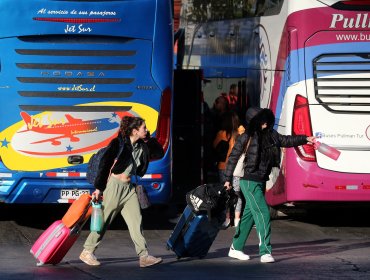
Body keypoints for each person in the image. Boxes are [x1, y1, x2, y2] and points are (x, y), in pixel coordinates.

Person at [223, 107, 316, 263]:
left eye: (266, 119)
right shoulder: (246, 137)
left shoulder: (271, 135)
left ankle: (236, 248)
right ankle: (265, 251)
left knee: (249, 216)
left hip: (260, 181)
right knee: (263, 213)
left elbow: (286, 140)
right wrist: (227, 179)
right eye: (261, 120)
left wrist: (305, 139)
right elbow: (233, 157)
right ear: (255, 122)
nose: (265, 123)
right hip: (248, 181)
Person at [79, 116, 163, 268]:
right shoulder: (118, 143)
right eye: (144, 127)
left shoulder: (142, 145)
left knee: (136, 221)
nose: (146, 130)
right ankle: (87, 251)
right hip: (114, 186)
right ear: (134, 130)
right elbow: (104, 165)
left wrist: (149, 138)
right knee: (104, 221)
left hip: (129, 189)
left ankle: (143, 256)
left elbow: (159, 152)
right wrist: (99, 188)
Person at [213, 111, 245, 227]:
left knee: (225, 193)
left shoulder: (221, 133)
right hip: (237, 168)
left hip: (223, 167)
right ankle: (237, 219)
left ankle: (227, 219)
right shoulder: (240, 133)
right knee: (237, 193)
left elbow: (214, 146)